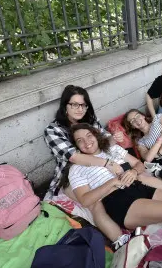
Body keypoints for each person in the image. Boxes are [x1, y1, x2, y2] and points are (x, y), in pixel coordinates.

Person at [43, 85, 124, 245]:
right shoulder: (53, 130)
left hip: (100, 167)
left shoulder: (91, 121)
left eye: (83, 105)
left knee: (126, 182)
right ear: (65, 106)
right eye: (74, 104)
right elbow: (74, 157)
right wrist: (107, 163)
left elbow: (107, 140)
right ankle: (120, 240)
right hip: (72, 174)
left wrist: (115, 137)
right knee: (94, 203)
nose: (79, 109)